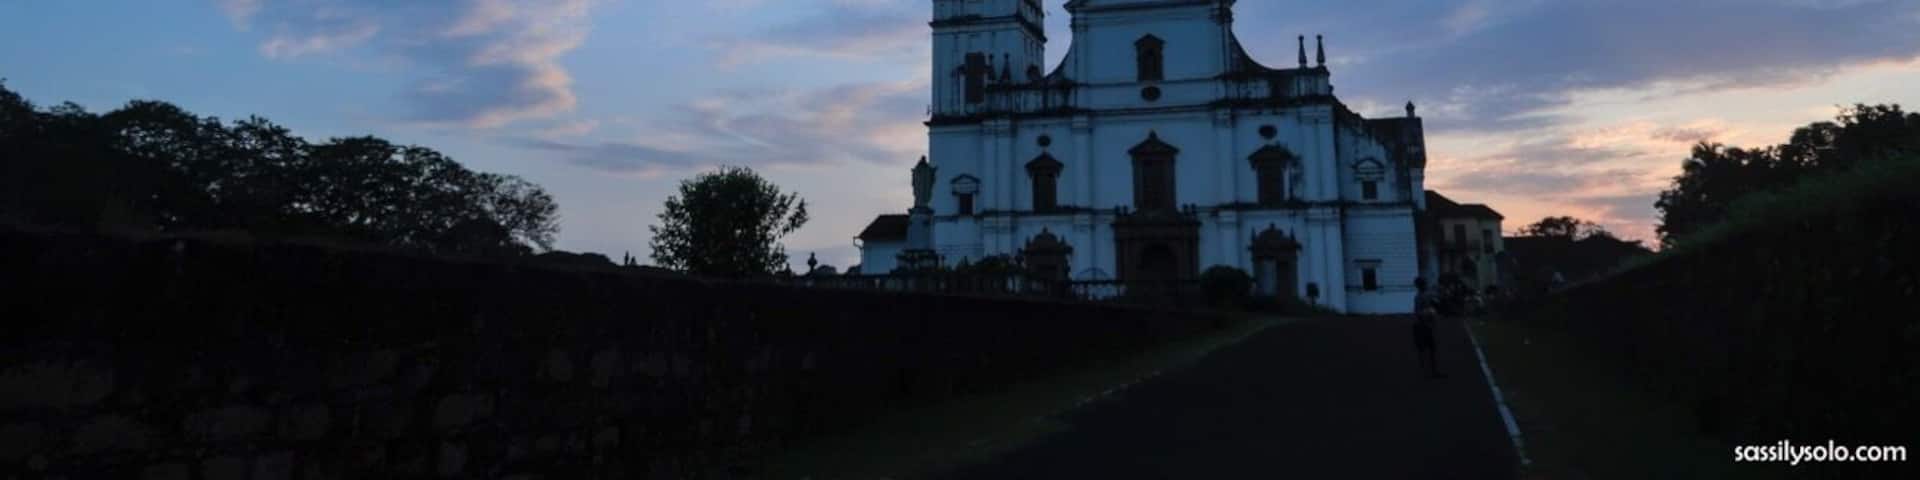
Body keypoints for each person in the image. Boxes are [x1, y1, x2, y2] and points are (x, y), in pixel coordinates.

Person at [1412, 277, 1444, 378]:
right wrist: (1429, 312)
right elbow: (1418, 313)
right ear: (1420, 285)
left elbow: (1436, 302)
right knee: (1424, 350)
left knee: (1431, 349)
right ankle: (1427, 372)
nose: (1425, 285)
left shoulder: (1425, 295)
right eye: (1424, 283)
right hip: (1422, 326)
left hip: (1426, 326)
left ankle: (1432, 371)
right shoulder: (1419, 297)